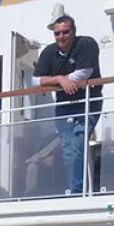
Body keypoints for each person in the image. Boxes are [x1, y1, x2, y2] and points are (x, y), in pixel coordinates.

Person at [34, 15, 102, 195]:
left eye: (65, 32)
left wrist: (59, 80)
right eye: (57, 33)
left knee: (78, 143)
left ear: (74, 31)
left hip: (88, 102)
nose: (61, 37)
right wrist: (59, 79)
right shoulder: (49, 52)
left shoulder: (87, 44)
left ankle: (79, 190)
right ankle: (76, 189)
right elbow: (34, 80)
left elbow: (85, 72)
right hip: (64, 106)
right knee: (68, 148)